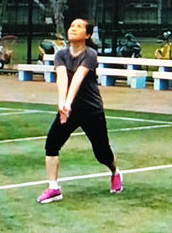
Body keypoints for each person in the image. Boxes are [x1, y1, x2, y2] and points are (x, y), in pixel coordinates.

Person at [37, 18, 122, 204]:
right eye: (72, 26)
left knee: (102, 152)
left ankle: (115, 171)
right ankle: (53, 188)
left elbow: (77, 78)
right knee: (51, 144)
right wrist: (62, 104)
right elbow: (62, 78)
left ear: (88, 34)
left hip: (91, 110)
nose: (73, 28)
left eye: (79, 26)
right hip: (70, 111)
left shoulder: (90, 54)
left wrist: (67, 102)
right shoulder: (61, 54)